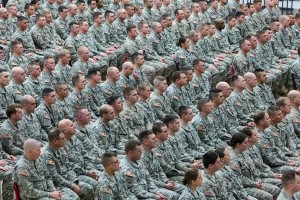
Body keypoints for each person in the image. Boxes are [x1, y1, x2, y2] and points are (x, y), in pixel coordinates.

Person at [13, 138, 80, 200]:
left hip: (47, 192)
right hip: (33, 197)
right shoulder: (21, 167)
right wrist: (50, 194)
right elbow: (29, 192)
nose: (40, 152)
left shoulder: (39, 159)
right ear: (30, 152)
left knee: (74, 197)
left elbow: (48, 177)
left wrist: (53, 190)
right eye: (38, 150)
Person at [42, 128, 96, 199]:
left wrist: (74, 181)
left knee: (89, 189)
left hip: (68, 179)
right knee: (75, 198)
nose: (65, 140)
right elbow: (55, 177)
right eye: (62, 139)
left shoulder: (60, 149)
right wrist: (72, 186)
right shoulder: (46, 154)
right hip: (56, 185)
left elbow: (68, 166)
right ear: (55, 141)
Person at [229, 132, 280, 200]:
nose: (248, 144)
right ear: (238, 144)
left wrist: (258, 180)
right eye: (245, 142)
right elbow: (239, 179)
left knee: (276, 189)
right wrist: (254, 184)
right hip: (244, 187)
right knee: (267, 196)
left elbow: (254, 169)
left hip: (256, 180)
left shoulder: (245, 152)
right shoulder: (233, 159)